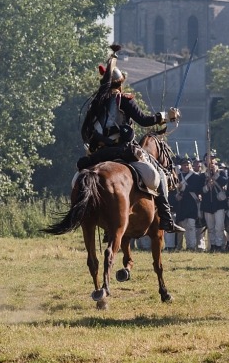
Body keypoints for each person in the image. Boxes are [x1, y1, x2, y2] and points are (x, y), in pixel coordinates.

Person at [77, 44, 182, 231]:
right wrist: (166, 116)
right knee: (159, 176)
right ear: (120, 83)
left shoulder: (96, 103)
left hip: (99, 153)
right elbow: (143, 120)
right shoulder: (124, 100)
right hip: (122, 150)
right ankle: (166, 217)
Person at [202, 155, 229, 251]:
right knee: (210, 227)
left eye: (212, 159)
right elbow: (200, 190)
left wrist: (216, 175)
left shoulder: (222, 172)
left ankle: (219, 245)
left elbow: (225, 182)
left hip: (219, 204)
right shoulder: (203, 175)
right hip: (207, 204)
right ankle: (213, 245)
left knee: (219, 226)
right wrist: (207, 186)